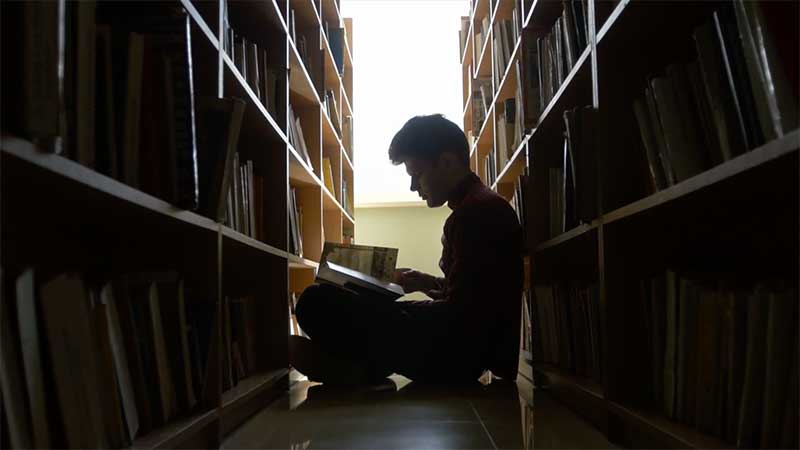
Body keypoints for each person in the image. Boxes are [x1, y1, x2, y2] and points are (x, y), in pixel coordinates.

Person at [291, 114, 523, 385]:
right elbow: (472, 296)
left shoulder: (475, 214)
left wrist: (391, 306)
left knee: (314, 301)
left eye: (417, 174)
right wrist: (423, 283)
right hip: (467, 349)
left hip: (459, 356)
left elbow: (462, 318)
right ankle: (359, 366)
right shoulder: (480, 207)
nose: (414, 187)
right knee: (347, 302)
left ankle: (355, 365)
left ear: (447, 162)